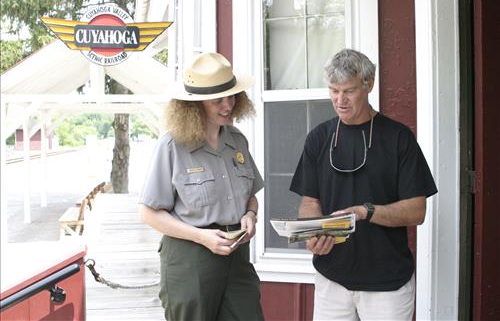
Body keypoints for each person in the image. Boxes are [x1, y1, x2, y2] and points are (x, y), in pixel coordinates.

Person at [289, 48, 438, 320]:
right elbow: (310, 202)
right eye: (334, 91)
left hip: (387, 284)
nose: (340, 100)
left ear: (369, 84)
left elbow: (417, 211)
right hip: (331, 278)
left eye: (348, 91)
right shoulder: (318, 138)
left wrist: (364, 212)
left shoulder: (398, 138)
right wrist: (313, 233)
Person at [139, 52, 264, 321]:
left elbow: (251, 195)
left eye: (231, 96)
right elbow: (148, 213)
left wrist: (250, 215)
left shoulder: (237, 141)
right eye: (217, 100)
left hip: (237, 258)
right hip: (190, 258)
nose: (227, 105)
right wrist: (202, 237)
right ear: (194, 105)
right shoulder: (172, 146)